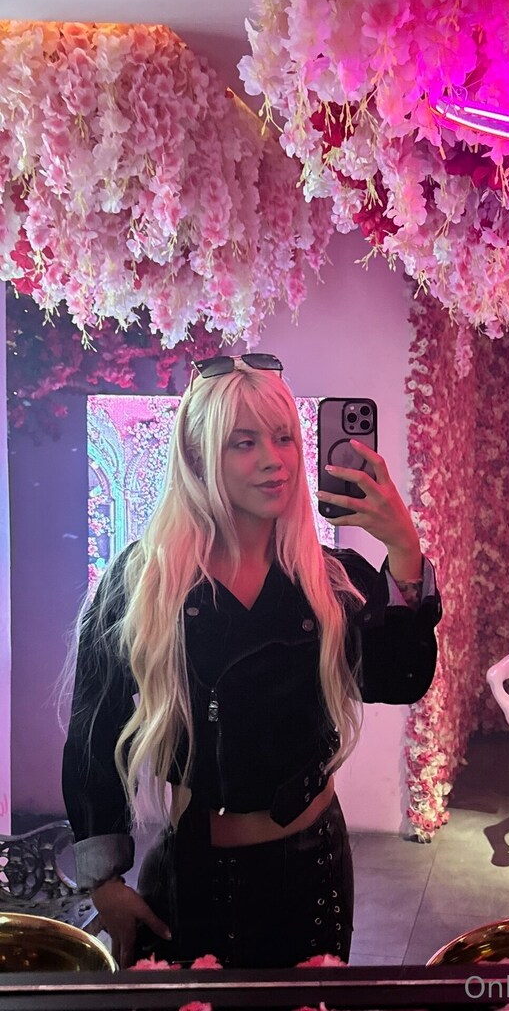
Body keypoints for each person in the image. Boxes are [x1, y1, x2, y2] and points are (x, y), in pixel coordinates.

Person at [62, 354, 441, 969]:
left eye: (284, 437)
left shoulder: (328, 580)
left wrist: (404, 550)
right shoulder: (144, 583)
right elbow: (92, 732)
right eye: (245, 443)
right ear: (196, 458)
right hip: (193, 875)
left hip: (313, 873)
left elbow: (399, 679)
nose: (274, 460)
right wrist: (104, 881)